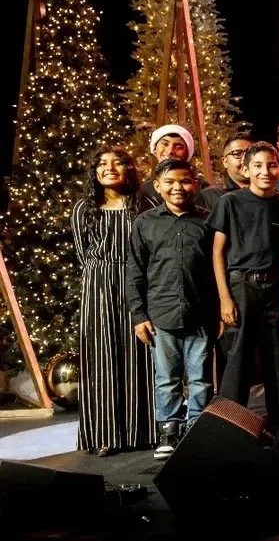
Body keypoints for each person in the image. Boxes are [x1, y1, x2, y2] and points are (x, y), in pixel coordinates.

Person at [126, 159, 216, 459]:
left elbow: (217, 271)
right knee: (166, 378)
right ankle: (169, 430)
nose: (178, 188)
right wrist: (139, 316)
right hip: (161, 315)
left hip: (201, 314)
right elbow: (135, 271)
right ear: (158, 185)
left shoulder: (208, 221)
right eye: (171, 182)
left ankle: (197, 430)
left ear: (195, 184)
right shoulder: (145, 222)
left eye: (185, 181)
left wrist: (219, 313)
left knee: (201, 377)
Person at [71, 145, 155, 456]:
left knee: (140, 356)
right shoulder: (84, 208)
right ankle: (104, 434)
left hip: (137, 282)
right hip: (99, 287)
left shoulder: (143, 205)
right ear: (94, 172)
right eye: (102, 164)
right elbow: (84, 255)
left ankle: (142, 431)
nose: (109, 168)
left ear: (129, 169)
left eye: (117, 163)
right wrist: (105, 276)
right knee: (102, 358)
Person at [211, 142, 279, 439]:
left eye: (271, 165)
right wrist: (225, 298)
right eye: (257, 166)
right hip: (241, 284)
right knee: (239, 357)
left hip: (276, 288)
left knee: (278, 355)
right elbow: (218, 252)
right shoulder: (230, 202)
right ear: (245, 170)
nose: (265, 171)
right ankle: (230, 424)